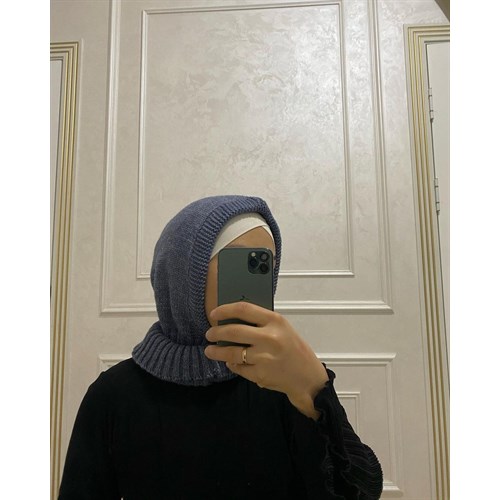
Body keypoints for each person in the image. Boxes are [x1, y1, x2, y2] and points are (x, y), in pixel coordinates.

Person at [58, 195, 383, 499]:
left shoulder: (285, 382)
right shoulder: (114, 395)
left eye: (264, 264)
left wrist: (314, 390)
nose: (256, 282)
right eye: (238, 263)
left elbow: (361, 491)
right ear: (183, 274)